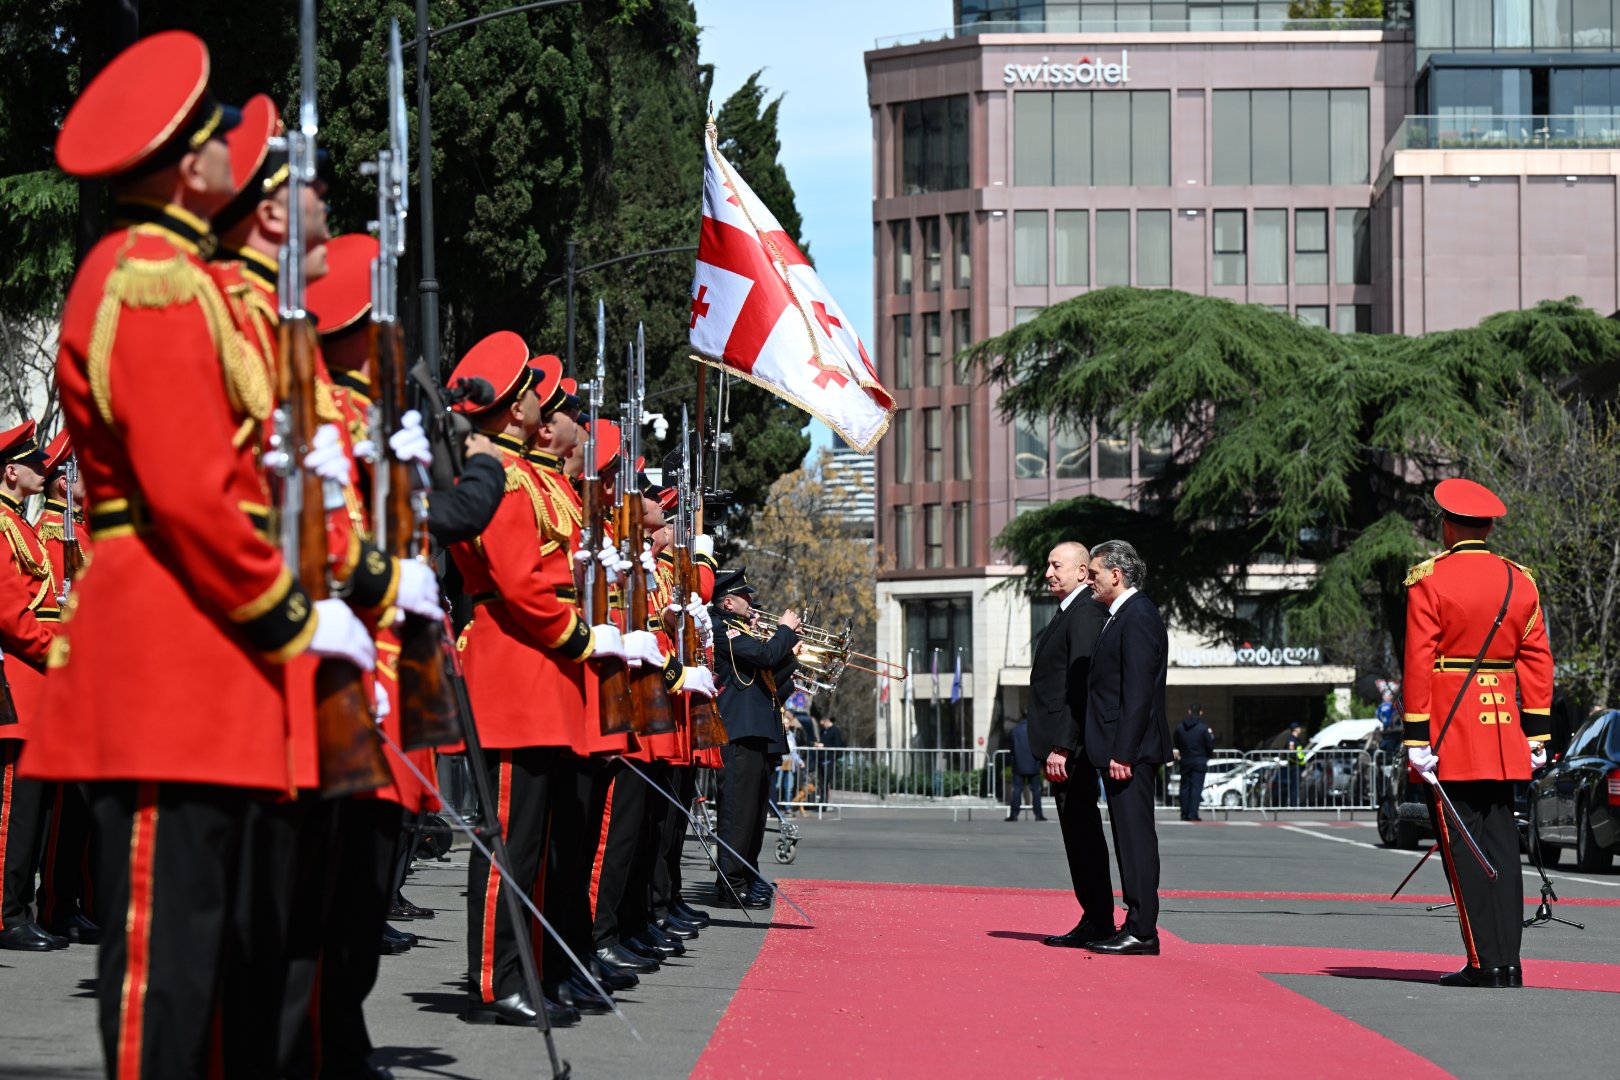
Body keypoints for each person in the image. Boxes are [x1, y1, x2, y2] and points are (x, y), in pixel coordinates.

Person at [25, 31, 379, 1075]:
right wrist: (291, 609)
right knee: (169, 972)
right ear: (189, 162)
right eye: (219, 132)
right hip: (169, 652)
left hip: (214, 655)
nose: (235, 144)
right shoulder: (146, 279)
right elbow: (188, 491)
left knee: (237, 956)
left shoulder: (183, 276)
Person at [1402, 478, 1553, 989]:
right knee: (1503, 847)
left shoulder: (1430, 579)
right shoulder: (1520, 580)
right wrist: (1536, 734)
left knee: (1463, 850)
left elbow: (1420, 663)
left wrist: (1415, 738)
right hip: (1503, 728)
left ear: (1447, 526)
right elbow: (1537, 661)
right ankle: (1509, 962)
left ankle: (1483, 962)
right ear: (1487, 527)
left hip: (1452, 726)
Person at [1083, 539, 1170, 956]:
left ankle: (1142, 929)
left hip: (1128, 753)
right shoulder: (1121, 616)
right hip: (1122, 750)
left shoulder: (1136, 616)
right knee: (1127, 839)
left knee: (1135, 840)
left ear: (1116, 574)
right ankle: (1135, 924)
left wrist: (1124, 751)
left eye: (1095, 573)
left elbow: (1137, 692)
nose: (1091, 581)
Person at [1025, 542, 1111, 949]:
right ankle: (1093, 916)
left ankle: (1098, 919)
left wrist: (1063, 745)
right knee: (1077, 835)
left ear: (1081, 572)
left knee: (1083, 834)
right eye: (1047, 564)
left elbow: (1080, 686)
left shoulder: (1084, 613)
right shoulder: (1068, 612)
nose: (1048, 572)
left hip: (1069, 750)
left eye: (1056, 565)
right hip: (1061, 747)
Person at [0, 420, 62, 953]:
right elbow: (10, 616)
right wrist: (60, 650)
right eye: (34, 464)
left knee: (35, 808)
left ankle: (20, 909)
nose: (44, 470)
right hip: (18, 684)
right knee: (14, 809)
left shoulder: (20, 525)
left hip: (37, 686)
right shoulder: (1, 527)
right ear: (10, 471)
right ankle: (6, 914)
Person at [709, 569, 799, 907]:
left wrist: (790, 651)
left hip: (756, 729)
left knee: (755, 813)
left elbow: (768, 679)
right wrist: (784, 632)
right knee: (737, 812)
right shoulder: (724, 630)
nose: (753, 603)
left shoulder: (738, 630)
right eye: (746, 597)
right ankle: (731, 883)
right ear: (728, 602)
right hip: (737, 730)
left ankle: (746, 874)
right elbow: (762, 658)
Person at [1172, 705, 1215, 821]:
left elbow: (1176, 742)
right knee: (1196, 787)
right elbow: (1210, 745)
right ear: (1200, 712)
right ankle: (1193, 813)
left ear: (1189, 711)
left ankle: (1184, 813)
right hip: (1199, 760)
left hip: (1185, 759)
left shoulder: (1180, 727)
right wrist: (1207, 755)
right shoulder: (1203, 728)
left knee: (1185, 787)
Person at [1005, 718, 1045, 822]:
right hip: (1034, 764)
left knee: (1017, 790)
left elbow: (1011, 748)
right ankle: (1038, 814)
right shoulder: (1036, 730)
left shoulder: (1015, 730)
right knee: (1036, 790)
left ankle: (1014, 814)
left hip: (1018, 764)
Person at [813, 714, 844, 803]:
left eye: (823, 722)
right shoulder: (824, 731)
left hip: (829, 760)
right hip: (821, 759)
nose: (822, 725)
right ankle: (822, 801)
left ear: (827, 721)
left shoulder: (835, 731)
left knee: (827, 782)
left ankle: (825, 802)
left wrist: (824, 746)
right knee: (822, 783)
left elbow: (837, 745)